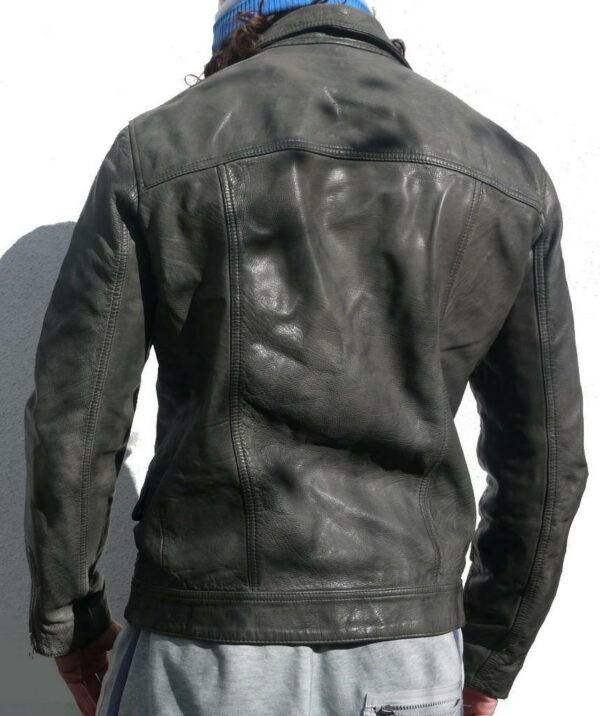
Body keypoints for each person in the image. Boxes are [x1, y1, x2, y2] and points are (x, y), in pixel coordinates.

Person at [23, 1, 588, 715]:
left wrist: (71, 617)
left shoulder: (157, 150)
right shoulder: (508, 173)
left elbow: (74, 423)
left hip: (207, 651)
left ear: (234, 39)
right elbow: (546, 458)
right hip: (406, 660)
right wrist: (489, 652)